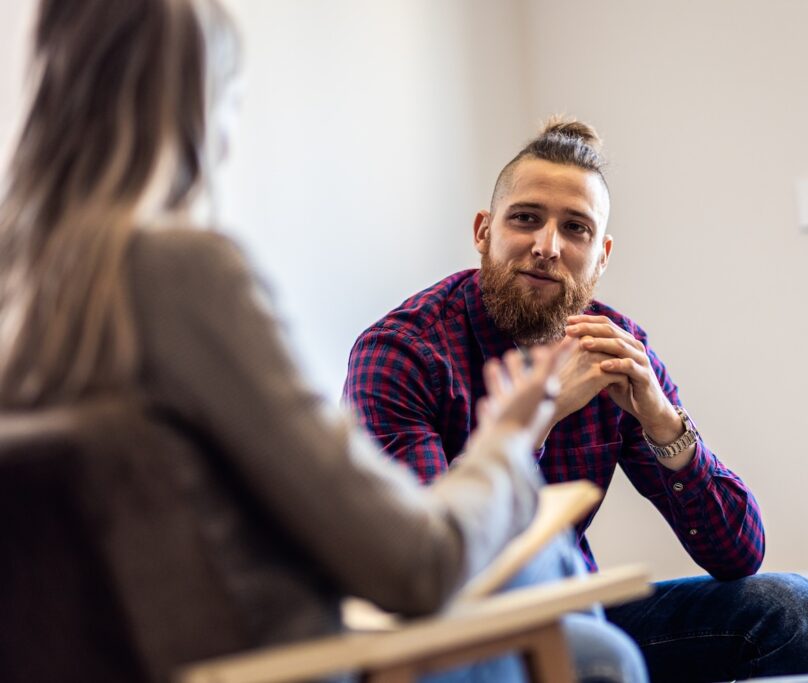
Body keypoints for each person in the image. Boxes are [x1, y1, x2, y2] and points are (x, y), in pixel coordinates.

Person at [0, 2, 647, 682]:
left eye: (574, 229)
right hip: (303, 661)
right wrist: (513, 437)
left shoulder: (28, 297)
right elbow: (414, 563)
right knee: (599, 645)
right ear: (198, 109)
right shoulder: (179, 275)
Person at [344, 118, 808, 682]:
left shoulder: (615, 349)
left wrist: (664, 423)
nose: (547, 247)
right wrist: (541, 417)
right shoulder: (402, 351)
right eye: (526, 218)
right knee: (590, 650)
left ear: (601, 256)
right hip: (452, 635)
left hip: (577, 616)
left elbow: (738, 554)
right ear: (484, 231)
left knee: (787, 610)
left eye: (575, 229)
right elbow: (425, 566)